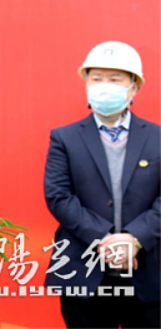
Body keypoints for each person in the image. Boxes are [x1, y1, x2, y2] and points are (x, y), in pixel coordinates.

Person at [44, 41, 160, 328]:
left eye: (115, 79)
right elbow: (58, 196)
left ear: (134, 87)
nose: (104, 86)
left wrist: (134, 239)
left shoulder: (158, 137)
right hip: (83, 269)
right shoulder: (65, 138)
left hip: (149, 271)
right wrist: (105, 239)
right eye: (96, 79)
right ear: (86, 84)